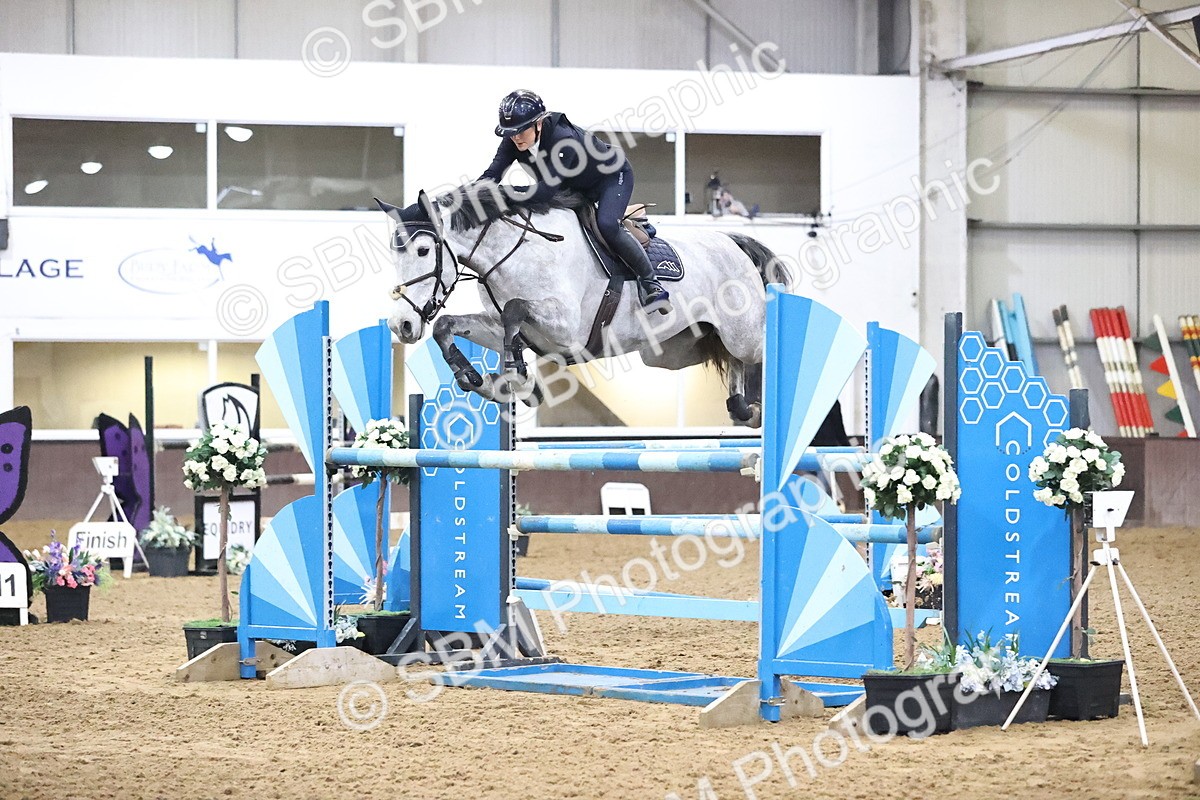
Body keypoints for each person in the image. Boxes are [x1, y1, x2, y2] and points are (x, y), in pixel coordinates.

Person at [479, 89, 670, 312]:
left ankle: (651, 283)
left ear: (539, 123)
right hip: (573, 186)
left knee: (607, 224)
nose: (516, 137)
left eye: (521, 131)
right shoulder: (512, 140)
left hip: (611, 176)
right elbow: (492, 175)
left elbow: (544, 193)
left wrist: (502, 193)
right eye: (511, 133)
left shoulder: (563, 139)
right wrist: (466, 196)